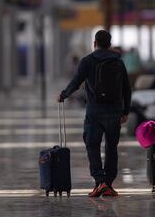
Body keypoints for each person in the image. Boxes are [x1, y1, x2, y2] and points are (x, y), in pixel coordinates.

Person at [57, 30, 131, 197]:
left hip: (94, 112)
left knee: (92, 145)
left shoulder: (88, 61)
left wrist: (63, 95)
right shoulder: (118, 62)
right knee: (111, 147)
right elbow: (126, 88)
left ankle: (99, 182)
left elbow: (76, 82)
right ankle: (108, 184)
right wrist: (125, 111)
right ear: (109, 44)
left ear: (95, 43)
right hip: (114, 111)